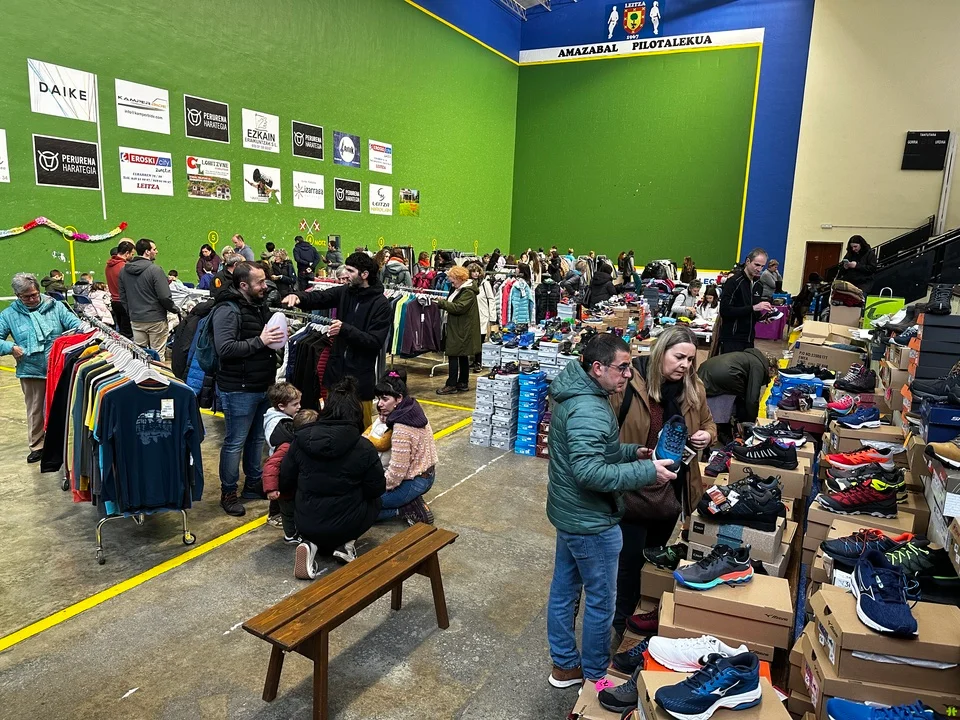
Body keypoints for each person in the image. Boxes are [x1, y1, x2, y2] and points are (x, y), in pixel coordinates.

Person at [546, 333, 676, 690]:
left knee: (564, 590)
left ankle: (564, 666)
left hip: (571, 513)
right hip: (590, 521)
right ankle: (594, 674)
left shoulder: (584, 394)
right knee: (602, 601)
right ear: (598, 368)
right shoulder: (589, 408)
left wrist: (632, 453)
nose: (629, 374)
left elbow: (595, 452)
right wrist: (647, 472)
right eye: (623, 367)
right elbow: (589, 473)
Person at [608, 326, 716, 634]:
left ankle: (636, 617)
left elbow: (709, 423)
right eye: (679, 357)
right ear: (660, 353)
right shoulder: (630, 384)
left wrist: (707, 435)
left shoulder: (693, 388)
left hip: (669, 491)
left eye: (690, 360)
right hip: (631, 489)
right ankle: (620, 625)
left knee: (651, 558)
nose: (685, 365)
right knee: (627, 565)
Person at [279, 378, 386, 574]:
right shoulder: (364, 446)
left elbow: (285, 481)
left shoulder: (301, 440)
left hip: (305, 520)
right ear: (356, 412)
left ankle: (309, 544)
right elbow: (376, 489)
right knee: (376, 501)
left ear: (325, 409)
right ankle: (346, 544)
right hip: (347, 523)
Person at [281, 252, 392, 426]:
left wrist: (344, 329)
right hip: (335, 377)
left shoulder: (381, 305)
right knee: (332, 425)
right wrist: (299, 297)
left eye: (350, 271)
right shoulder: (345, 292)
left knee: (360, 429)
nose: (345, 274)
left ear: (364, 274)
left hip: (360, 381)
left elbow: (374, 342)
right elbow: (319, 297)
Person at [211, 262, 284, 517]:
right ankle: (228, 492)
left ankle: (253, 483)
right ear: (243, 285)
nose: (266, 286)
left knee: (256, 439)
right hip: (238, 388)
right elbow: (225, 348)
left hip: (262, 384)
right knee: (235, 442)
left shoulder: (259, 306)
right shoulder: (227, 310)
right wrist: (260, 341)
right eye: (260, 282)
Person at [0, 273, 81, 462]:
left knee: (61, 407)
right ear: (17, 295)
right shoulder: (8, 315)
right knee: (35, 410)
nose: (32, 299)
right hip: (31, 369)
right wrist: (10, 347)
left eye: (34, 294)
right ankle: (37, 445)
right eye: (26, 297)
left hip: (59, 368)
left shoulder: (55, 306)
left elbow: (75, 325)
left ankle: (61, 443)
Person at [372, 370, 437, 524]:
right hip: (427, 475)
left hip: (414, 481)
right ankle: (409, 501)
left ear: (399, 398)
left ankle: (404, 509)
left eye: (385, 399)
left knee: (362, 508)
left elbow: (396, 473)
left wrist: (377, 489)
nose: (380, 404)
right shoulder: (412, 409)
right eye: (379, 399)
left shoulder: (401, 428)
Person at [118, 238, 179, 352]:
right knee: (157, 354)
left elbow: (123, 296)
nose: (157, 252)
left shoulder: (123, 271)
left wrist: (131, 312)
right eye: (154, 249)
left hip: (136, 319)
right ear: (147, 251)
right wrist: (175, 309)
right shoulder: (155, 270)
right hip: (156, 319)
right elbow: (164, 296)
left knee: (140, 354)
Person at [262, 383, 304, 542]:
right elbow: (272, 466)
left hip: (280, 464)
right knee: (284, 500)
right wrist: (270, 488)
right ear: (281, 406)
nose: (299, 407)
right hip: (282, 468)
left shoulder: (273, 415)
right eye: (295, 404)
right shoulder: (283, 427)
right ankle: (280, 521)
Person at [698, 347, 776, 424]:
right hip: (724, 374)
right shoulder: (758, 366)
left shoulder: (750, 357)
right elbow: (752, 398)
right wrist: (753, 421)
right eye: (769, 377)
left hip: (706, 369)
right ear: (770, 369)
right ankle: (733, 422)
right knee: (745, 395)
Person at [717, 248, 771, 355]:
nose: (759, 269)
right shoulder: (734, 282)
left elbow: (751, 311)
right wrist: (753, 308)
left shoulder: (758, 285)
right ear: (747, 261)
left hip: (749, 339)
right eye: (757, 265)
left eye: (762, 266)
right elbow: (725, 310)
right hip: (732, 339)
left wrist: (762, 318)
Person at [436, 265, 481, 394]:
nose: (451, 282)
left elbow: (459, 307)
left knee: (454, 354)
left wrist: (441, 303)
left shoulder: (467, 292)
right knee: (462, 355)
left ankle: (451, 384)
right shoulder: (460, 289)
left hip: (461, 328)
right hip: (460, 327)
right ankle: (462, 382)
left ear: (460, 278)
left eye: (452, 279)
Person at [106, 240, 135, 338]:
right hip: (125, 303)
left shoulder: (108, 266)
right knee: (128, 335)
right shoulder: (124, 267)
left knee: (122, 333)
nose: (132, 257)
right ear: (127, 253)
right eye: (132, 254)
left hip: (114, 302)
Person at [470, 262, 496, 372]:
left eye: (477, 271)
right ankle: (474, 360)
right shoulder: (468, 284)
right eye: (473, 271)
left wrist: (492, 317)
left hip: (483, 316)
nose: (476, 274)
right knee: (472, 340)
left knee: (480, 340)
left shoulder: (485, 284)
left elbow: (491, 299)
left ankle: (479, 362)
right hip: (471, 316)